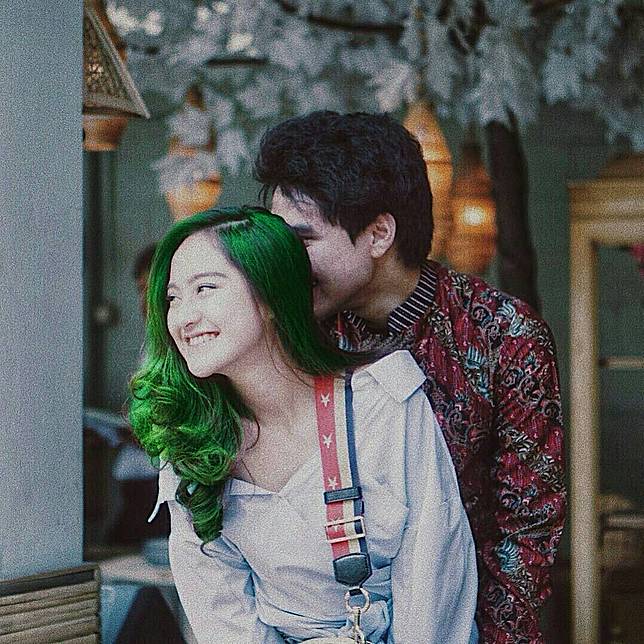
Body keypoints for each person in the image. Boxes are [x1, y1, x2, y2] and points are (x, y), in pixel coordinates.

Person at [254, 111, 567, 643]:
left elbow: (527, 526)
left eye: (301, 241)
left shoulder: (504, 335)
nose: (283, 261)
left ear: (378, 234)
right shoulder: (292, 335)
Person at [129, 206, 478, 643]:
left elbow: (434, 572)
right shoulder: (189, 437)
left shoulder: (381, 405)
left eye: (205, 289)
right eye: (173, 298)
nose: (183, 317)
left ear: (270, 297)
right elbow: (220, 612)